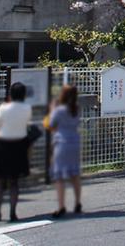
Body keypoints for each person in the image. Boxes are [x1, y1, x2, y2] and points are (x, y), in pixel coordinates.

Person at [0, 82, 32, 222]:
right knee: (14, 182)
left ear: (10, 94)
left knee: (0, 181)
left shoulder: (4, 108)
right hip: (19, 147)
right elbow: (26, 125)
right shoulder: (27, 108)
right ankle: (13, 213)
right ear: (24, 94)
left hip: (3, 146)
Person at [48, 84, 82, 218]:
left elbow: (51, 124)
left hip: (62, 143)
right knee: (75, 174)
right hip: (74, 143)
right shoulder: (76, 109)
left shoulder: (59, 110)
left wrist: (52, 109)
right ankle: (78, 203)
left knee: (60, 176)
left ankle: (61, 206)